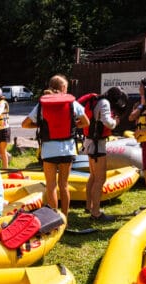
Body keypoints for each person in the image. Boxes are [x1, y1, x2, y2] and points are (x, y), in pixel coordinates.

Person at [21, 74, 89, 216]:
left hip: (49, 150)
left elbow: (25, 124)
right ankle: (65, 218)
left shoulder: (42, 104)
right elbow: (86, 122)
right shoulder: (72, 103)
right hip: (67, 149)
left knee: (51, 186)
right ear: (63, 88)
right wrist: (73, 125)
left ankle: (54, 219)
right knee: (64, 185)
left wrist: (40, 124)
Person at [83, 87, 128, 221]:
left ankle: (89, 206)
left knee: (93, 176)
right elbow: (107, 122)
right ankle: (96, 213)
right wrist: (116, 122)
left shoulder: (98, 101)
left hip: (90, 142)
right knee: (100, 179)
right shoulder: (104, 103)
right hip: (97, 145)